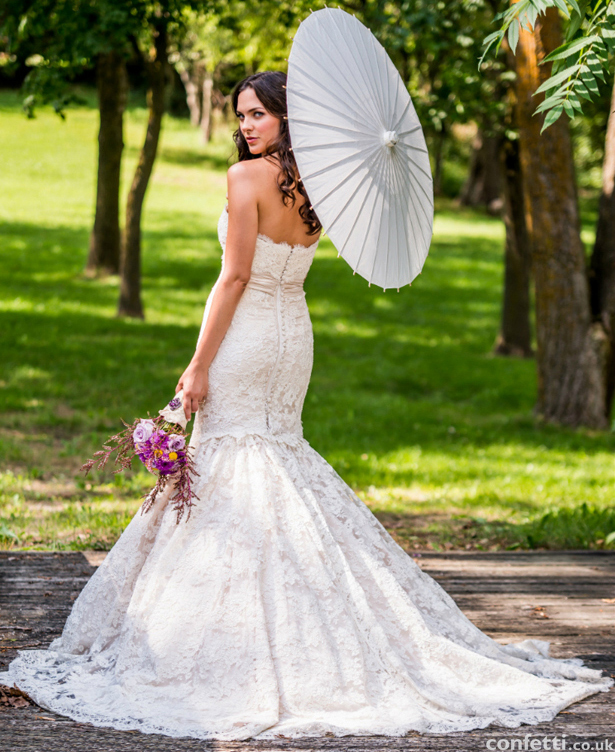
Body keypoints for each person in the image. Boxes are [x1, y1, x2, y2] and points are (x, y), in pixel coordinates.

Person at [3, 71, 612, 741]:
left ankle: (223, 630)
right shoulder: (321, 186)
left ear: (287, 119)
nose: (246, 125)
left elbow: (232, 277)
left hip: (247, 339)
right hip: (292, 336)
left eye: (258, 114)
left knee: (236, 459)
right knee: (272, 458)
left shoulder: (244, 181)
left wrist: (196, 367)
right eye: (241, 114)